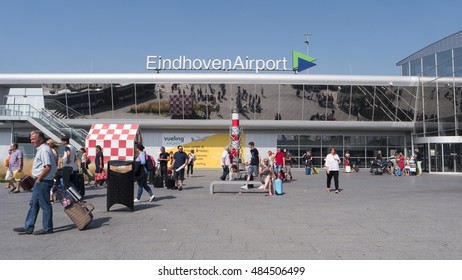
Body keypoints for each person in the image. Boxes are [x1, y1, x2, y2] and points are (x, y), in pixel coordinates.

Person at [13, 130, 57, 235]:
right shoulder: (42, 149)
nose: (31, 140)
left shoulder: (44, 150)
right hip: (41, 180)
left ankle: (47, 228)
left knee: (45, 205)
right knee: (34, 204)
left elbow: (48, 167)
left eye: (33, 139)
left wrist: (38, 179)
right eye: (31, 138)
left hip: (43, 181)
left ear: (40, 139)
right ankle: (28, 227)